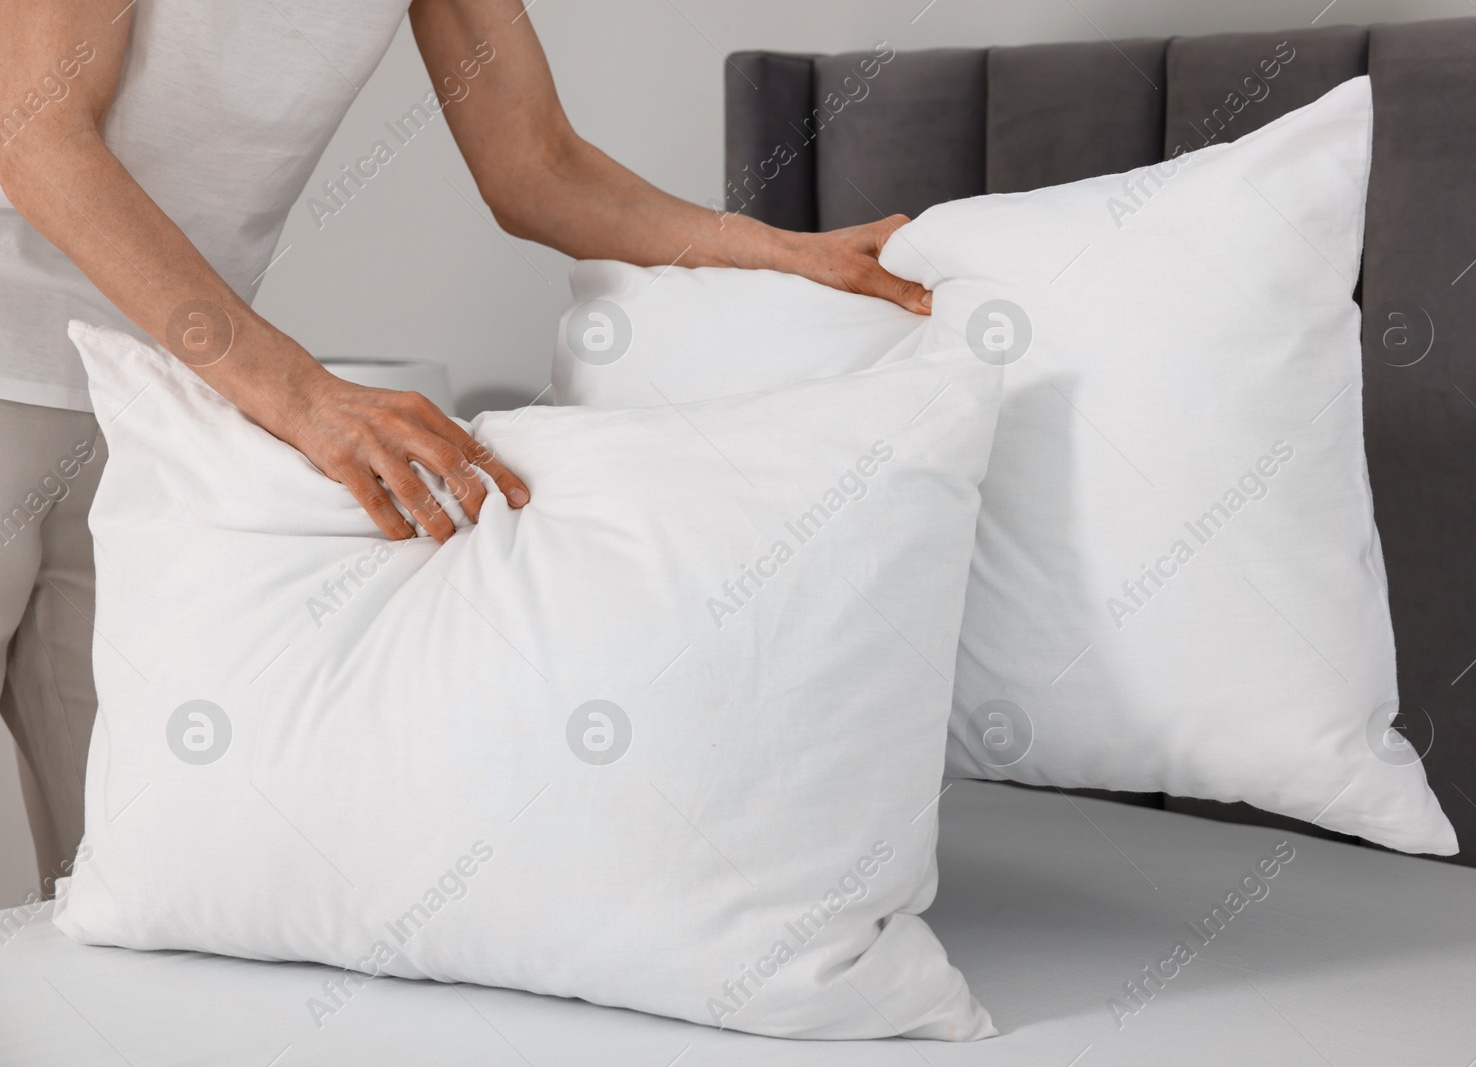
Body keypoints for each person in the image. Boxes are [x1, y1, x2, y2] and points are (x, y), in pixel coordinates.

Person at [0, 0, 930, 891]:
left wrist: (779, 252)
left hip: (157, 399)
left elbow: (537, 166)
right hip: (68, 373)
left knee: (121, 882)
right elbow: (34, 136)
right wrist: (304, 395)